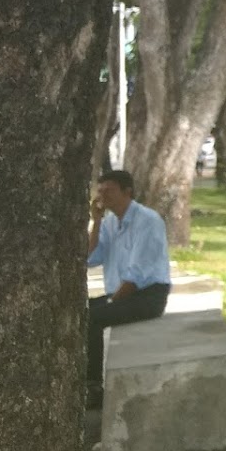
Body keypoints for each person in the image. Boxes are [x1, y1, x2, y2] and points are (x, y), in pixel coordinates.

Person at [84, 169, 172, 409]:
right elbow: (90, 258)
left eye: (109, 191)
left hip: (148, 296)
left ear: (127, 192)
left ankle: (94, 387)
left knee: (93, 318)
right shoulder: (110, 223)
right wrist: (96, 221)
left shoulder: (148, 221)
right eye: (100, 191)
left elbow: (136, 275)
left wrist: (112, 302)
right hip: (121, 294)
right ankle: (80, 380)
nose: (103, 196)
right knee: (80, 312)